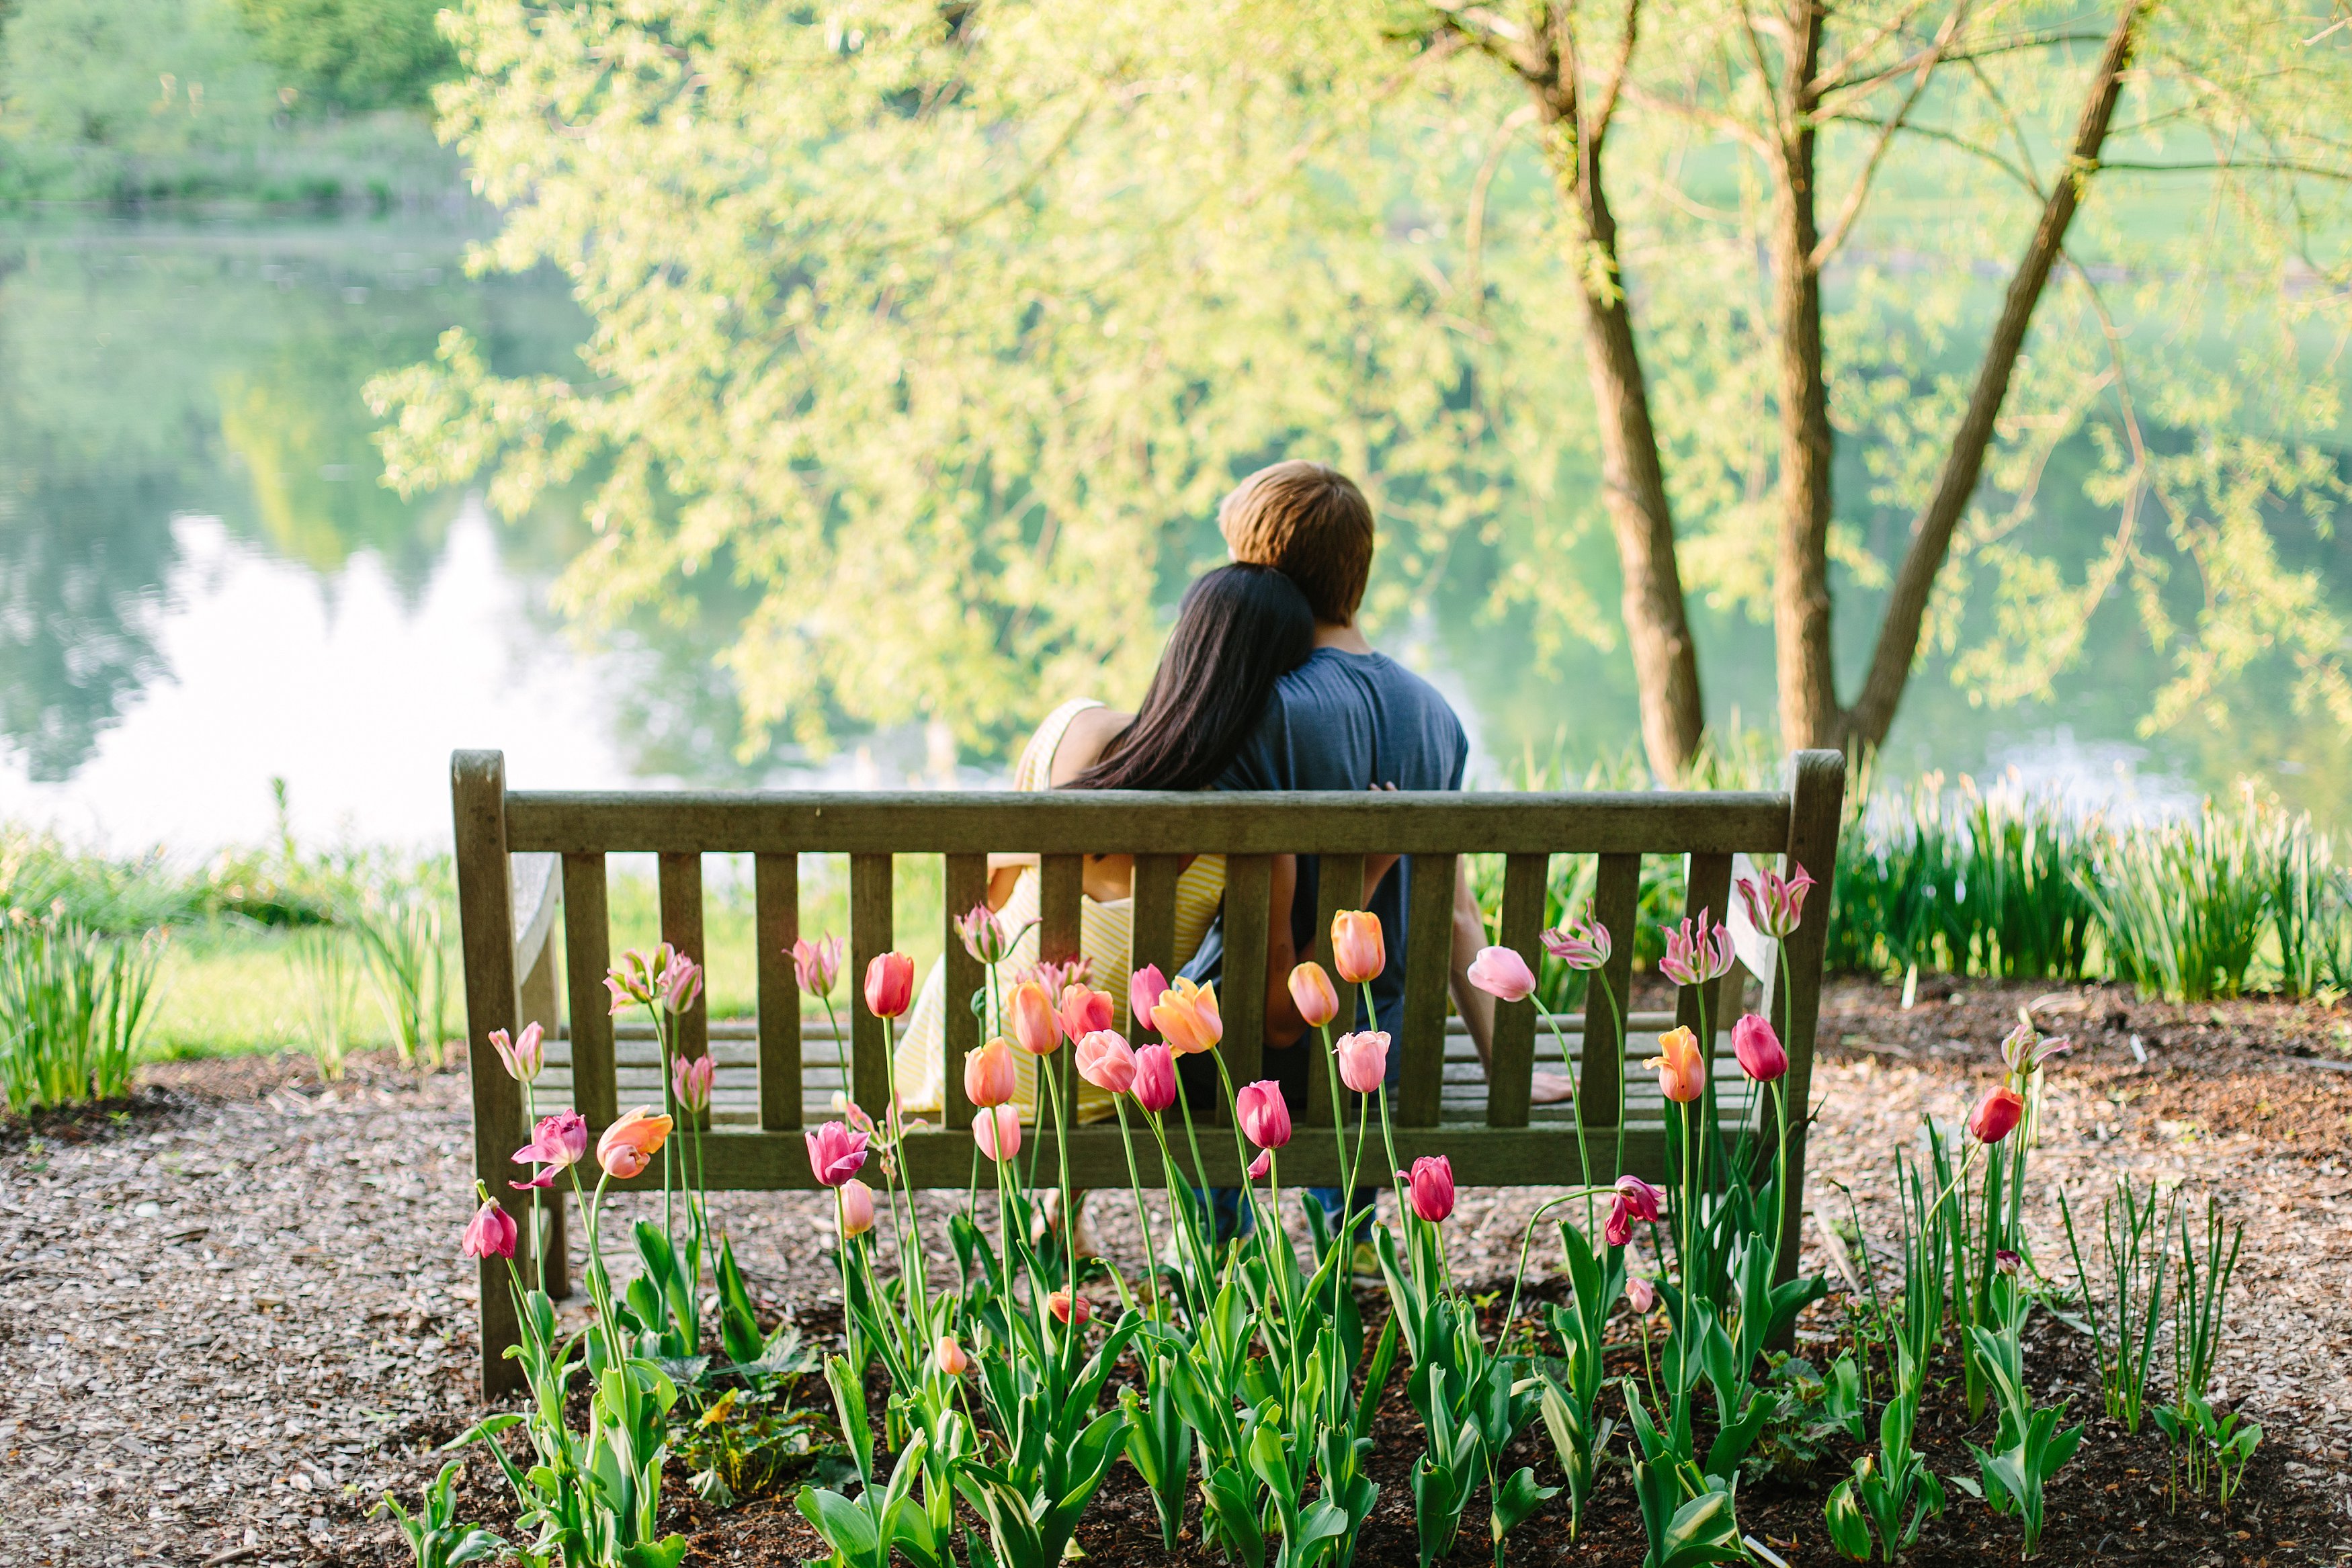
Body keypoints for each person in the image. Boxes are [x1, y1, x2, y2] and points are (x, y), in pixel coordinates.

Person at [888, 564, 1318, 1254]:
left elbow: (988, 899)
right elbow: (1279, 1026)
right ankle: (1066, 1211)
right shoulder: (1255, 835)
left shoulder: (1072, 730)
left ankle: (1062, 1216)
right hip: (1091, 1092)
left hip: (961, 1060)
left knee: (1062, 986)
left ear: (1179, 646)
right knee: (1115, 1015)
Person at [1177, 461, 1572, 1182]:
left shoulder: (1251, 715)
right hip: (1375, 1062)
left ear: (1258, 575)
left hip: (1248, 1061)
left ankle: (1215, 1241)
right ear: (1357, 572)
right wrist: (1499, 1066)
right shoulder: (1435, 716)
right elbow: (1455, 918)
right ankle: (1352, 1232)